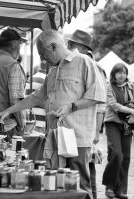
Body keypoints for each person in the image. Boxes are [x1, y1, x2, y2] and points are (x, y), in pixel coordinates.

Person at [0, 30, 106, 196]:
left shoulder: (84, 62)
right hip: (55, 136)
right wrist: (9, 110)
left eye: (43, 54)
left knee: (80, 185)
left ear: (54, 46)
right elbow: (36, 97)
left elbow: (98, 95)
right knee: (57, 184)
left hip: (78, 139)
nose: (42, 59)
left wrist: (71, 107)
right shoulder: (53, 71)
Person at [67, 29, 107, 199]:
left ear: (83, 49)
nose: (68, 47)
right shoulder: (72, 63)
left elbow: (101, 104)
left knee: (85, 175)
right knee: (85, 173)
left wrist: (96, 133)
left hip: (86, 129)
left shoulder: (95, 67)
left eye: (72, 44)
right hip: (73, 129)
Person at [102, 63, 133, 199]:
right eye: (119, 72)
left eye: (124, 73)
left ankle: (120, 190)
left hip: (127, 125)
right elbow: (114, 105)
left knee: (125, 158)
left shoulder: (131, 87)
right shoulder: (109, 87)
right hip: (112, 124)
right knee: (116, 154)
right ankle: (109, 186)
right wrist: (131, 110)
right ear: (114, 74)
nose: (122, 75)